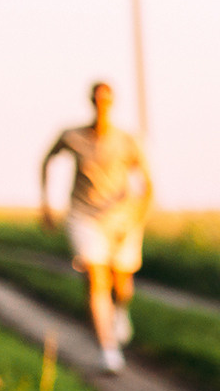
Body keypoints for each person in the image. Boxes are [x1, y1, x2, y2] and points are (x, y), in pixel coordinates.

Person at [39, 81, 153, 373]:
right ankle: (108, 349)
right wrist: (46, 204)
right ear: (91, 101)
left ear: (112, 103)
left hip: (121, 217)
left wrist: (137, 217)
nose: (102, 105)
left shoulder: (127, 141)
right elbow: (47, 161)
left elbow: (147, 185)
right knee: (94, 276)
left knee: (121, 282)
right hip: (83, 215)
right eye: (97, 100)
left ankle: (120, 311)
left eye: (106, 100)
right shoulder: (72, 135)